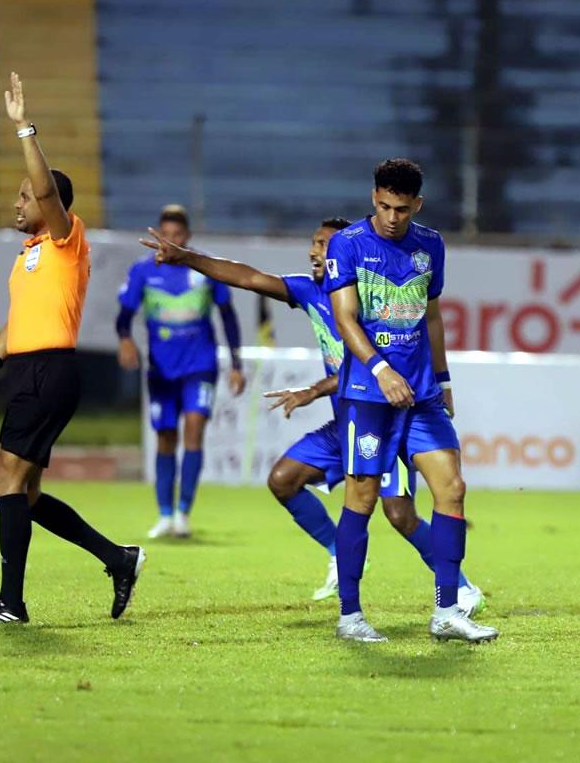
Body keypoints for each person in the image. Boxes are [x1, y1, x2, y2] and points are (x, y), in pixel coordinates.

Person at [142, 217, 485, 614]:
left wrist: (312, 390)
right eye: (313, 242)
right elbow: (249, 277)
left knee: (399, 514)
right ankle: (339, 554)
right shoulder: (310, 291)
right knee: (284, 480)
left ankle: (459, 588)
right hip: (346, 424)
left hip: (380, 418)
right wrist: (188, 258)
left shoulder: (367, 303)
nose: (313, 251)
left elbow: (372, 365)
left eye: (323, 244)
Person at [0, 73, 144, 625]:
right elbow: (15, 326)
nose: (16, 203)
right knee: (26, 495)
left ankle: (11, 604)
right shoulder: (30, 255)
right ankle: (118, 558)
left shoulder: (66, 237)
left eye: (24, 195)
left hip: (49, 373)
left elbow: (48, 192)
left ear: (47, 202)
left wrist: (23, 129)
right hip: (32, 372)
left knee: (5, 483)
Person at [323, 158, 497, 643]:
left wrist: (442, 378)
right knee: (360, 498)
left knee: (453, 489)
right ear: (373, 198)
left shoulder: (431, 245)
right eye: (383, 206)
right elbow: (346, 319)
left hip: (420, 394)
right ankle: (351, 616)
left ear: (417, 204)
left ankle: (447, 612)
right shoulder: (350, 244)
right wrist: (380, 370)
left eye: (401, 208)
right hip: (367, 395)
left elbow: (433, 317)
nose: (392, 217)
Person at [117, 205, 246, 539]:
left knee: (194, 430)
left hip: (199, 366)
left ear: (186, 237)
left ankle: (183, 514)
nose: (170, 241)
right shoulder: (143, 272)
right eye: (165, 235)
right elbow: (124, 315)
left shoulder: (204, 268)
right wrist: (125, 339)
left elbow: (228, 316)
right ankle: (164, 514)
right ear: (157, 237)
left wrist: (236, 364)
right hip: (161, 370)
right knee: (165, 438)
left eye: (177, 236)